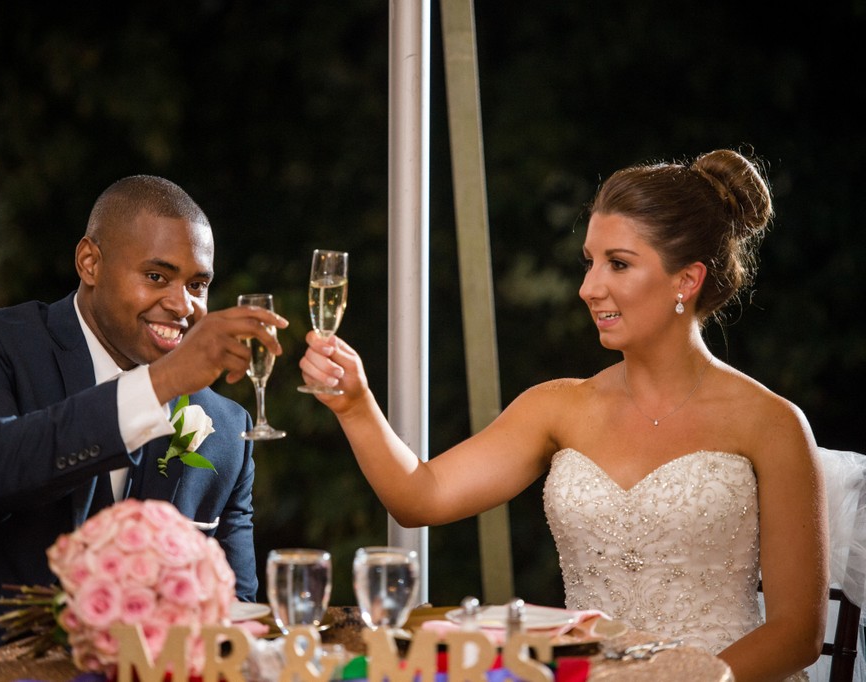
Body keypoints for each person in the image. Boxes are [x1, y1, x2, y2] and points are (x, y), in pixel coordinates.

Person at [300, 149, 828, 681]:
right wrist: (355, 404)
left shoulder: (771, 423)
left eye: (617, 264)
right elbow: (420, 497)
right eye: (589, 262)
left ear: (686, 280)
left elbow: (797, 633)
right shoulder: (556, 406)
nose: (589, 287)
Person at [0, 175, 288, 681]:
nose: (184, 305)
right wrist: (159, 385)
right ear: (89, 262)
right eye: (158, 277)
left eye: (198, 285)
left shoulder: (226, 429)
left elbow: (232, 610)